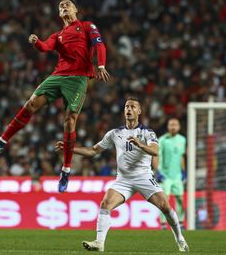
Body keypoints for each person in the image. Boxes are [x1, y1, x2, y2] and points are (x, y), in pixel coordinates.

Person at [0, 0, 110, 192]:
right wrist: (36, 42)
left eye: (68, 4)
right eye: (61, 6)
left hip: (78, 78)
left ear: (76, 9)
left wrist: (100, 65)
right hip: (57, 76)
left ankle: (66, 169)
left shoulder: (86, 26)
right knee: (31, 103)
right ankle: (1, 141)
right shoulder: (57, 36)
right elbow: (45, 47)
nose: (64, 7)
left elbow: (99, 44)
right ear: (59, 14)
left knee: (69, 121)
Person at [55, 97, 189, 252]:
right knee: (105, 204)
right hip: (123, 180)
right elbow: (93, 151)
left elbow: (155, 151)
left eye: (132, 107)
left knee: (165, 206)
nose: (129, 109)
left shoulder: (147, 133)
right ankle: (99, 243)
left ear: (139, 111)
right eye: (126, 107)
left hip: (144, 177)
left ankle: (179, 238)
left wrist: (140, 144)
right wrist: (70, 148)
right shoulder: (115, 133)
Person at [157, 118, 187, 228]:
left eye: (175, 124)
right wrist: (158, 171)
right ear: (168, 127)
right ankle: (163, 223)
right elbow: (157, 156)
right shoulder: (162, 140)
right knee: (164, 199)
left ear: (179, 127)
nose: (173, 126)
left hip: (177, 175)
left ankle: (181, 222)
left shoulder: (182, 140)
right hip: (165, 176)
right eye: (171, 124)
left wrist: (184, 171)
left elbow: (181, 157)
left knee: (180, 199)